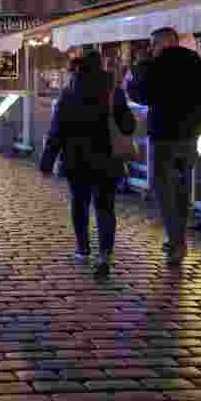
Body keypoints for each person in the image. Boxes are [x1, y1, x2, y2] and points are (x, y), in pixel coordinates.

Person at [126, 27, 201, 266]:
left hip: (164, 138)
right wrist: (200, 127)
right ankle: (178, 239)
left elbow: (140, 94)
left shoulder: (157, 65)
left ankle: (176, 242)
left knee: (164, 190)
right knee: (181, 190)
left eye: (152, 45)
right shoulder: (197, 64)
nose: (151, 49)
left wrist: (140, 67)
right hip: (188, 139)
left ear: (161, 44)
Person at [40, 51, 135, 279]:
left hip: (77, 160)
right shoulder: (114, 92)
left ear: (78, 69)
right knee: (105, 207)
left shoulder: (68, 93)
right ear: (101, 67)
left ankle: (82, 249)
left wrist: (47, 161)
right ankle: (105, 256)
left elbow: (56, 131)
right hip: (107, 158)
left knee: (79, 204)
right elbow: (128, 125)